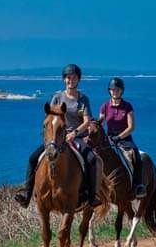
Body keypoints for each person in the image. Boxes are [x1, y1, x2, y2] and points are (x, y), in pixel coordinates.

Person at [14, 64, 102, 208]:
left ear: (78, 79)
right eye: (68, 78)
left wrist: (74, 133)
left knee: (91, 159)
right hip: (57, 138)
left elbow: (87, 121)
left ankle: (91, 195)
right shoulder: (57, 98)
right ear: (64, 80)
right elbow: (49, 119)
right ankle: (27, 193)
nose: (71, 80)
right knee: (32, 158)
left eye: (74, 78)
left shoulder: (83, 100)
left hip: (77, 137)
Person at [99, 77, 146, 198]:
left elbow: (131, 127)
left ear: (121, 91)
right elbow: (100, 123)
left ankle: (138, 185)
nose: (115, 92)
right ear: (109, 91)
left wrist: (119, 137)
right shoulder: (105, 106)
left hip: (125, 139)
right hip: (109, 139)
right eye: (113, 89)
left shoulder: (127, 106)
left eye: (118, 89)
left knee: (135, 154)